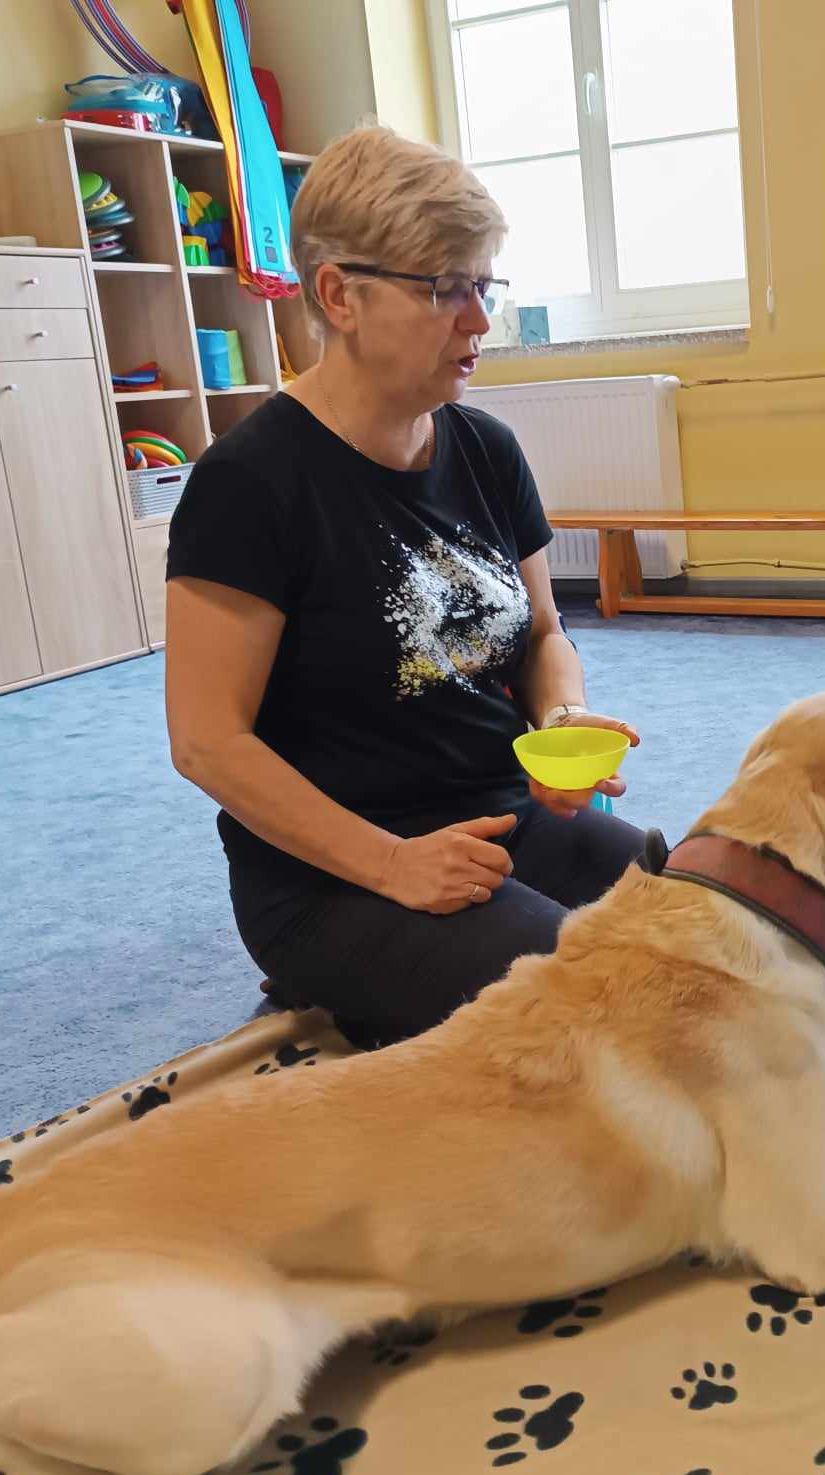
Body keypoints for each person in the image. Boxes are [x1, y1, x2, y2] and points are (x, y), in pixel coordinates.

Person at [163, 126, 645, 1049]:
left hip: (498, 816)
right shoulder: (249, 483)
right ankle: (337, 978)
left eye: (485, 286)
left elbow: (545, 634)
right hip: (335, 872)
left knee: (712, 921)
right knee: (598, 1011)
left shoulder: (487, 448)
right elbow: (207, 742)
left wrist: (561, 719)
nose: (479, 321)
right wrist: (392, 866)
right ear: (340, 295)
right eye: (445, 289)